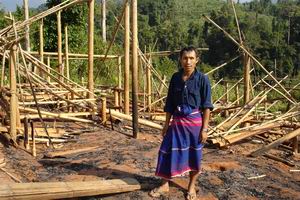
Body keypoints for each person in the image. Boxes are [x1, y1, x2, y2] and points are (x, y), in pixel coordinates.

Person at [149, 46, 213, 200]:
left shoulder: (202, 79)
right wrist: (166, 124)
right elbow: (170, 103)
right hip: (176, 123)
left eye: (191, 58)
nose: (188, 62)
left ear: (197, 60)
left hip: (194, 125)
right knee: (166, 151)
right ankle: (165, 184)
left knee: (194, 154)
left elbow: (207, 106)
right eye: (185, 58)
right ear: (180, 60)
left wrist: (204, 129)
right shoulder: (175, 78)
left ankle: (191, 187)